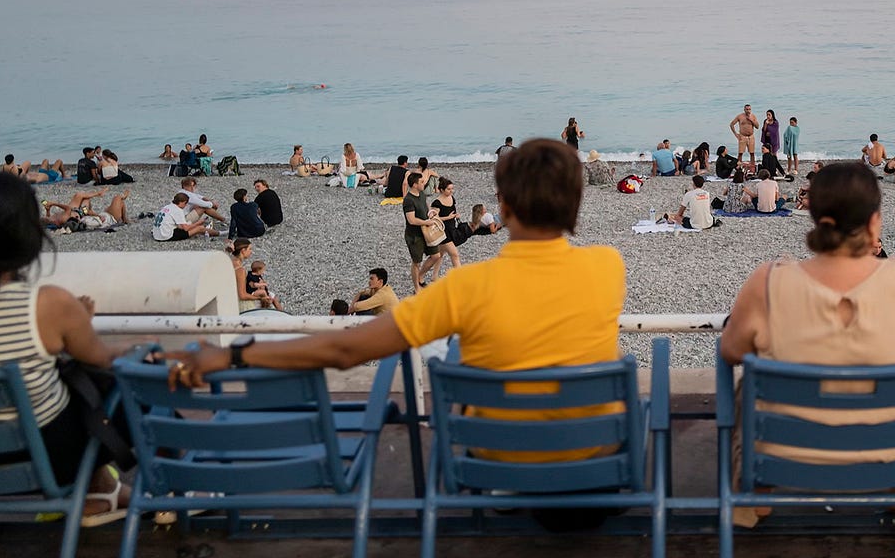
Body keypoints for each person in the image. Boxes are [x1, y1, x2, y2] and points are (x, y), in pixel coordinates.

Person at [163, 138, 629, 530]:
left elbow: (347, 346)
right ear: (575, 203)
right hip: (596, 473)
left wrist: (232, 355)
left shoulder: (467, 288)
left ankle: (507, 476)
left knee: (459, 348)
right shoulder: (608, 266)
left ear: (503, 208)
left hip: (503, 459)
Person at [719, 162, 895, 528]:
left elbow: (730, 351)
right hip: (893, 454)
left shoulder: (769, 282)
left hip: (786, 455)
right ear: (874, 222)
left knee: (749, 386)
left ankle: (753, 497)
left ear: (814, 214)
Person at [0, 172, 142, 526]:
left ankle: (100, 494)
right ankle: (171, 488)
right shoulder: (46, 305)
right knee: (116, 385)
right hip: (44, 457)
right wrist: (80, 322)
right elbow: (100, 358)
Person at [401, 171, 441, 292]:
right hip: (414, 235)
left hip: (427, 232)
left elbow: (426, 205)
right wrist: (426, 222)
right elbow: (411, 220)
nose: (424, 183)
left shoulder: (421, 193)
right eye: (422, 182)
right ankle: (417, 287)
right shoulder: (408, 200)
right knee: (416, 262)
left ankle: (420, 276)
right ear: (414, 184)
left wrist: (431, 212)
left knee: (436, 256)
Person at [40, 189, 131, 230]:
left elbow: (49, 217)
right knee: (118, 198)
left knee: (80, 195)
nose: (47, 217)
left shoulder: (51, 219)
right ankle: (124, 217)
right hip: (107, 217)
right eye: (46, 218)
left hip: (85, 213)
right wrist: (53, 203)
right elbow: (67, 208)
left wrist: (48, 210)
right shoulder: (62, 219)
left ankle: (98, 194)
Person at [428, 178, 465, 268]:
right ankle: (461, 277)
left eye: (452, 189)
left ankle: (433, 276)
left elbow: (453, 211)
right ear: (441, 190)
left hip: (452, 229)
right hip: (442, 231)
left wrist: (456, 215)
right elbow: (433, 218)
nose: (451, 191)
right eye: (449, 189)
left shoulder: (451, 198)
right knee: (454, 254)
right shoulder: (437, 203)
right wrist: (448, 217)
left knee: (439, 255)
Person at [227, 240, 268, 313]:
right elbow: (242, 295)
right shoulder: (240, 270)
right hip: (240, 304)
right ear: (243, 250)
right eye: (250, 249)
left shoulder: (229, 261)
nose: (251, 252)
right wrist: (259, 298)